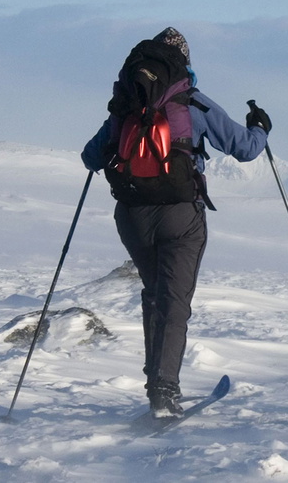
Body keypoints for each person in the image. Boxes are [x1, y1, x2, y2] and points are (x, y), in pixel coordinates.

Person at [81, 27, 271, 418]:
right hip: (181, 213)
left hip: (132, 216)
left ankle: (157, 383)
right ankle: (164, 391)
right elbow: (245, 149)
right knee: (174, 301)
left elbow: (91, 157)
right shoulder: (191, 101)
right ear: (183, 63)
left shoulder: (125, 104)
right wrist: (260, 128)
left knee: (155, 293)